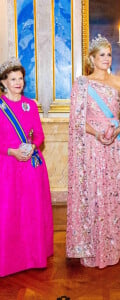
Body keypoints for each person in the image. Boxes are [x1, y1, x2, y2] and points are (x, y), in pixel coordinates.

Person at [66, 34, 120, 268]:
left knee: (112, 196)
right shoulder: (82, 84)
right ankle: (91, 247)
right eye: (101, 55)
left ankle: (111, 248)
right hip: (92, 147)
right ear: (92, 59)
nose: (106, 58)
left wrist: (115, 132)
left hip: (115, 147)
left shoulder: (119, 82)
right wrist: (97, 134)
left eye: (109, 54)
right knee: (93, 195)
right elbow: (77, 121)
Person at [0, 58, 53, 277]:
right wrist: (11, 151)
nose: (18, 82)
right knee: (10, 211)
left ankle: (34, 255)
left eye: (20, 78)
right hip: (8, 166)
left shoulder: (30, 104)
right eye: (13, 79)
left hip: (31, 165)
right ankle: (10, 259)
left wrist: (32, 146)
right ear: (3, 82)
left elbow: (39, 135)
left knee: (31, 211)